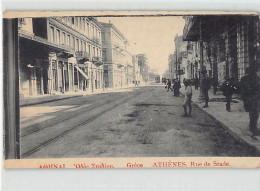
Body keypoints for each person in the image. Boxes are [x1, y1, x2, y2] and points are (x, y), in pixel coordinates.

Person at [239, 66, 260, 136]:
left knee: (252, 113)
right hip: (254, 99)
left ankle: (252, 127)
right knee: (255, 113)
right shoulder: (255, 78)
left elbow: (241, 89)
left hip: (248, 99)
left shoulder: (244, 78)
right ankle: (253, 129)